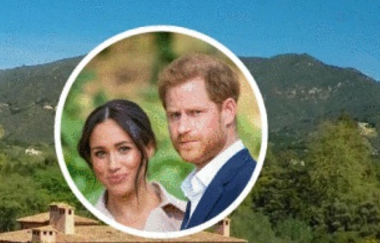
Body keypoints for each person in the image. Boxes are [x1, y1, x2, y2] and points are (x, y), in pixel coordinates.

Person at [158, 53, 256, 230]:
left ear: (228, 111)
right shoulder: (198, 188)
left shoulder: (244, 182)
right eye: (174, 115)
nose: (182, 128)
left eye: (195, 113)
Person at [78, 99, 185, 232]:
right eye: (100, 153)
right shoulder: (82, 226)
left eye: (124, 149)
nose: (113, 165)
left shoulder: (188, 218)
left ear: (149, 148)